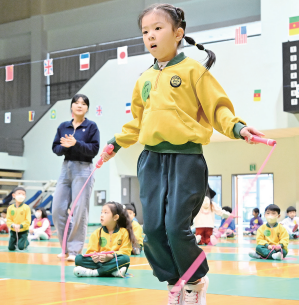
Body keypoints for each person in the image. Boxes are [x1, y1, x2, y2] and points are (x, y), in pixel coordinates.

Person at [100, 4, 264, 302]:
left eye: (157, 29)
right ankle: (175, 283)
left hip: (186, 159)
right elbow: (137, 122)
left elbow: (219, 110)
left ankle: (196, 282)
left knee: (176, 228)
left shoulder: (193, 72)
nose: (150, 36)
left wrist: (238, 128)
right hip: (150, 160)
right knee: (152, 230)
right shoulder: (143, 79)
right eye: (145, 32)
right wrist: (114, 143)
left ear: (178, 33)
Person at [52, 93, 100, 261]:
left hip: (84, 168)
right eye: (76, 102)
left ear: (87, 108)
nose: (80, 105)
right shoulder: (63, 126)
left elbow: (94, 150)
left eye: (83, 103)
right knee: (57, 208)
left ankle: (74, 250)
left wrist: (76, 143)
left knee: (79, 210)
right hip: (66, 168)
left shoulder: (91, 126)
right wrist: (65, 147)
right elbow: (56, 149)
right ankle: (64, 247)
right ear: (71, 106)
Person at [74, 202, 137, 277]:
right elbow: (90, 252)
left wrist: (111, 256)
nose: (102, 215)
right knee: (78, 259)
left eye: (106, 213)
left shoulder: (124, 232)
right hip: (100, 262)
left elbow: (125, 251)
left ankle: (93, 272)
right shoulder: (96, 233)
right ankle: (112, 271)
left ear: (115, 217)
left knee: (125, 259)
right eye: (101, 212)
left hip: (113, 260)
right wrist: (94, 257)